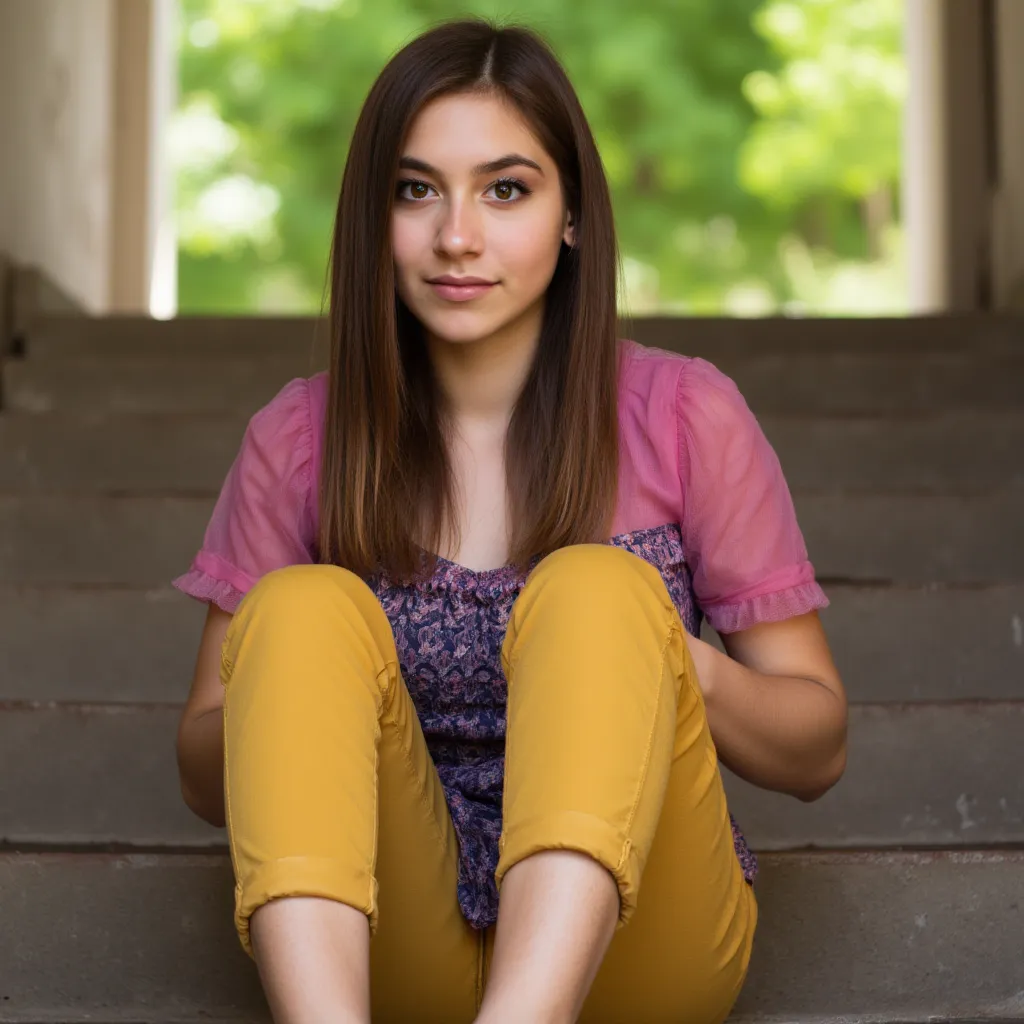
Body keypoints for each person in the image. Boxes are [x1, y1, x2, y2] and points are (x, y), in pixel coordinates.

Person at [173, 17, 848, 1024]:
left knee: (596, 587)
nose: (457, 235)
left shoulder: (683, 415)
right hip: (395, 940)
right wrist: (301, 683)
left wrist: (669, 659)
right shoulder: (299, 439)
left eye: (506, 188)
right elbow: (199, 771)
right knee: (305, 604)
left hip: (638, 948)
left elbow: (816, 747)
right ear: (375, 217)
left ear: (571, 211)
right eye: (416, 190)